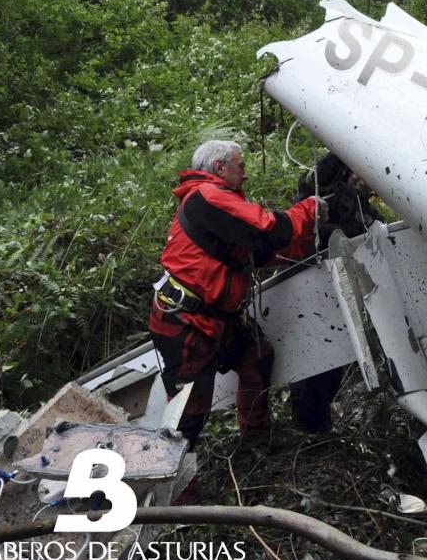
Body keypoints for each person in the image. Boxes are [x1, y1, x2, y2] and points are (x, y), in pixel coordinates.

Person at [149, 139, 326, 445]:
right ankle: (178, 488)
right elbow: (269, 230)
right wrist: (309, 209)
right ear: (220, 167)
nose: (245, 174)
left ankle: (255, 440)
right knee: (187, 415)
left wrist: (305, 246)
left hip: (214, 318)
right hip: (187, 323)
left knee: (257, 358)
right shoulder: (209, 196)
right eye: (240, 166)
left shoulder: (215, 202)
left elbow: (256, 252)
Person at [289, 153, 383, 433]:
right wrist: (351, 194)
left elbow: (367, 225)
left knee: (333, 356)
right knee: (315, 357)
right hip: (312, 277)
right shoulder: (327, 176)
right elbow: (321, 231)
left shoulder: (355, 190)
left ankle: (318, 420)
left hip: (337, 283)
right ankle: (309, 423)